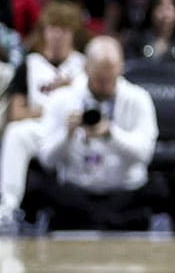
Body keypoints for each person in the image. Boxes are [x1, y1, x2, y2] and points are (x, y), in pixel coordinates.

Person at [24, 36, 160, 230]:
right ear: (86, 68)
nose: (106, 86)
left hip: (125, 196)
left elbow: (145, 154)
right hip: (76, 196)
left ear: (121, 67)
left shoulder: (138, 98)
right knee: (42, 188)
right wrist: (67, 134)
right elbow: (47, 159)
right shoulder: (61, 99)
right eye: (100, 80)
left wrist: (111, 134)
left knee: (155, 189)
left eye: (111, 79)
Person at [0, 0, 88, 228]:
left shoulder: (84, 66)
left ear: (73, 32)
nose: (57, 35)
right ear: (44, 30)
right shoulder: (30, 65)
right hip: (41, 127)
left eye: (63, 29)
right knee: (16, 132)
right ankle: (8, 204)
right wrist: (50, 107)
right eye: (52, 28)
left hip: (73, 129)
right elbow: (16, 113)